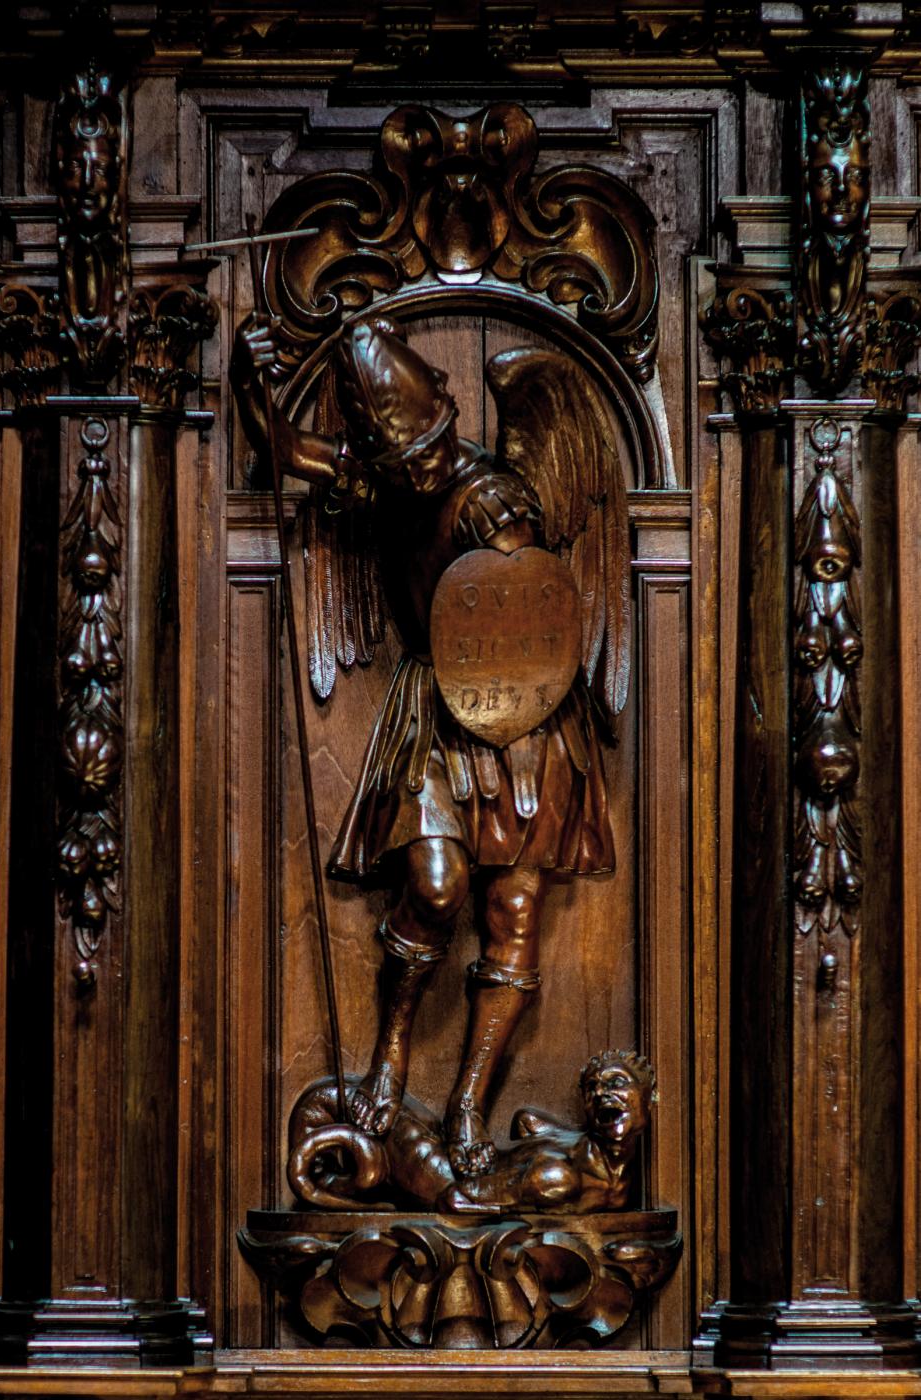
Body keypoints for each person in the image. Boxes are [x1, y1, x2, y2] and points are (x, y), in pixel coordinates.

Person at [232, 314, 615, 1177]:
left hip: (526, 719)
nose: (427, 468)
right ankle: (392, 1054)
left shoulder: (492, 493)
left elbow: (538, 605)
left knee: (513, 915)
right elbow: (296, 452)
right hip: (436, 708)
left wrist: (510, 541)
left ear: (446, 414)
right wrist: (255, 379)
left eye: (437, 448)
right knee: (436, 887)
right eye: (411, 461)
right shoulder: (387, 481)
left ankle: (469, 1107)